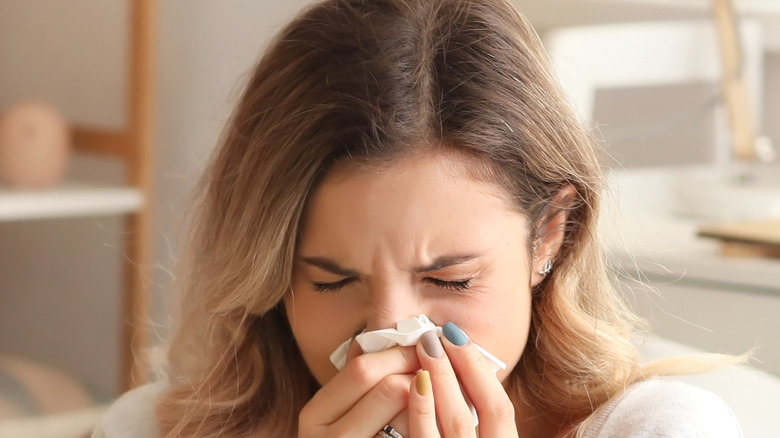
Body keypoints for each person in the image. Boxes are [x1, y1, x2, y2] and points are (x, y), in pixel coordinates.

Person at [93, 0, 744, 437]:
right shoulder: (150, 427)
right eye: (331, 280)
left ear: (549, 234)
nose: (390, 331)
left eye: (451, 280)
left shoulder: (663, 428)